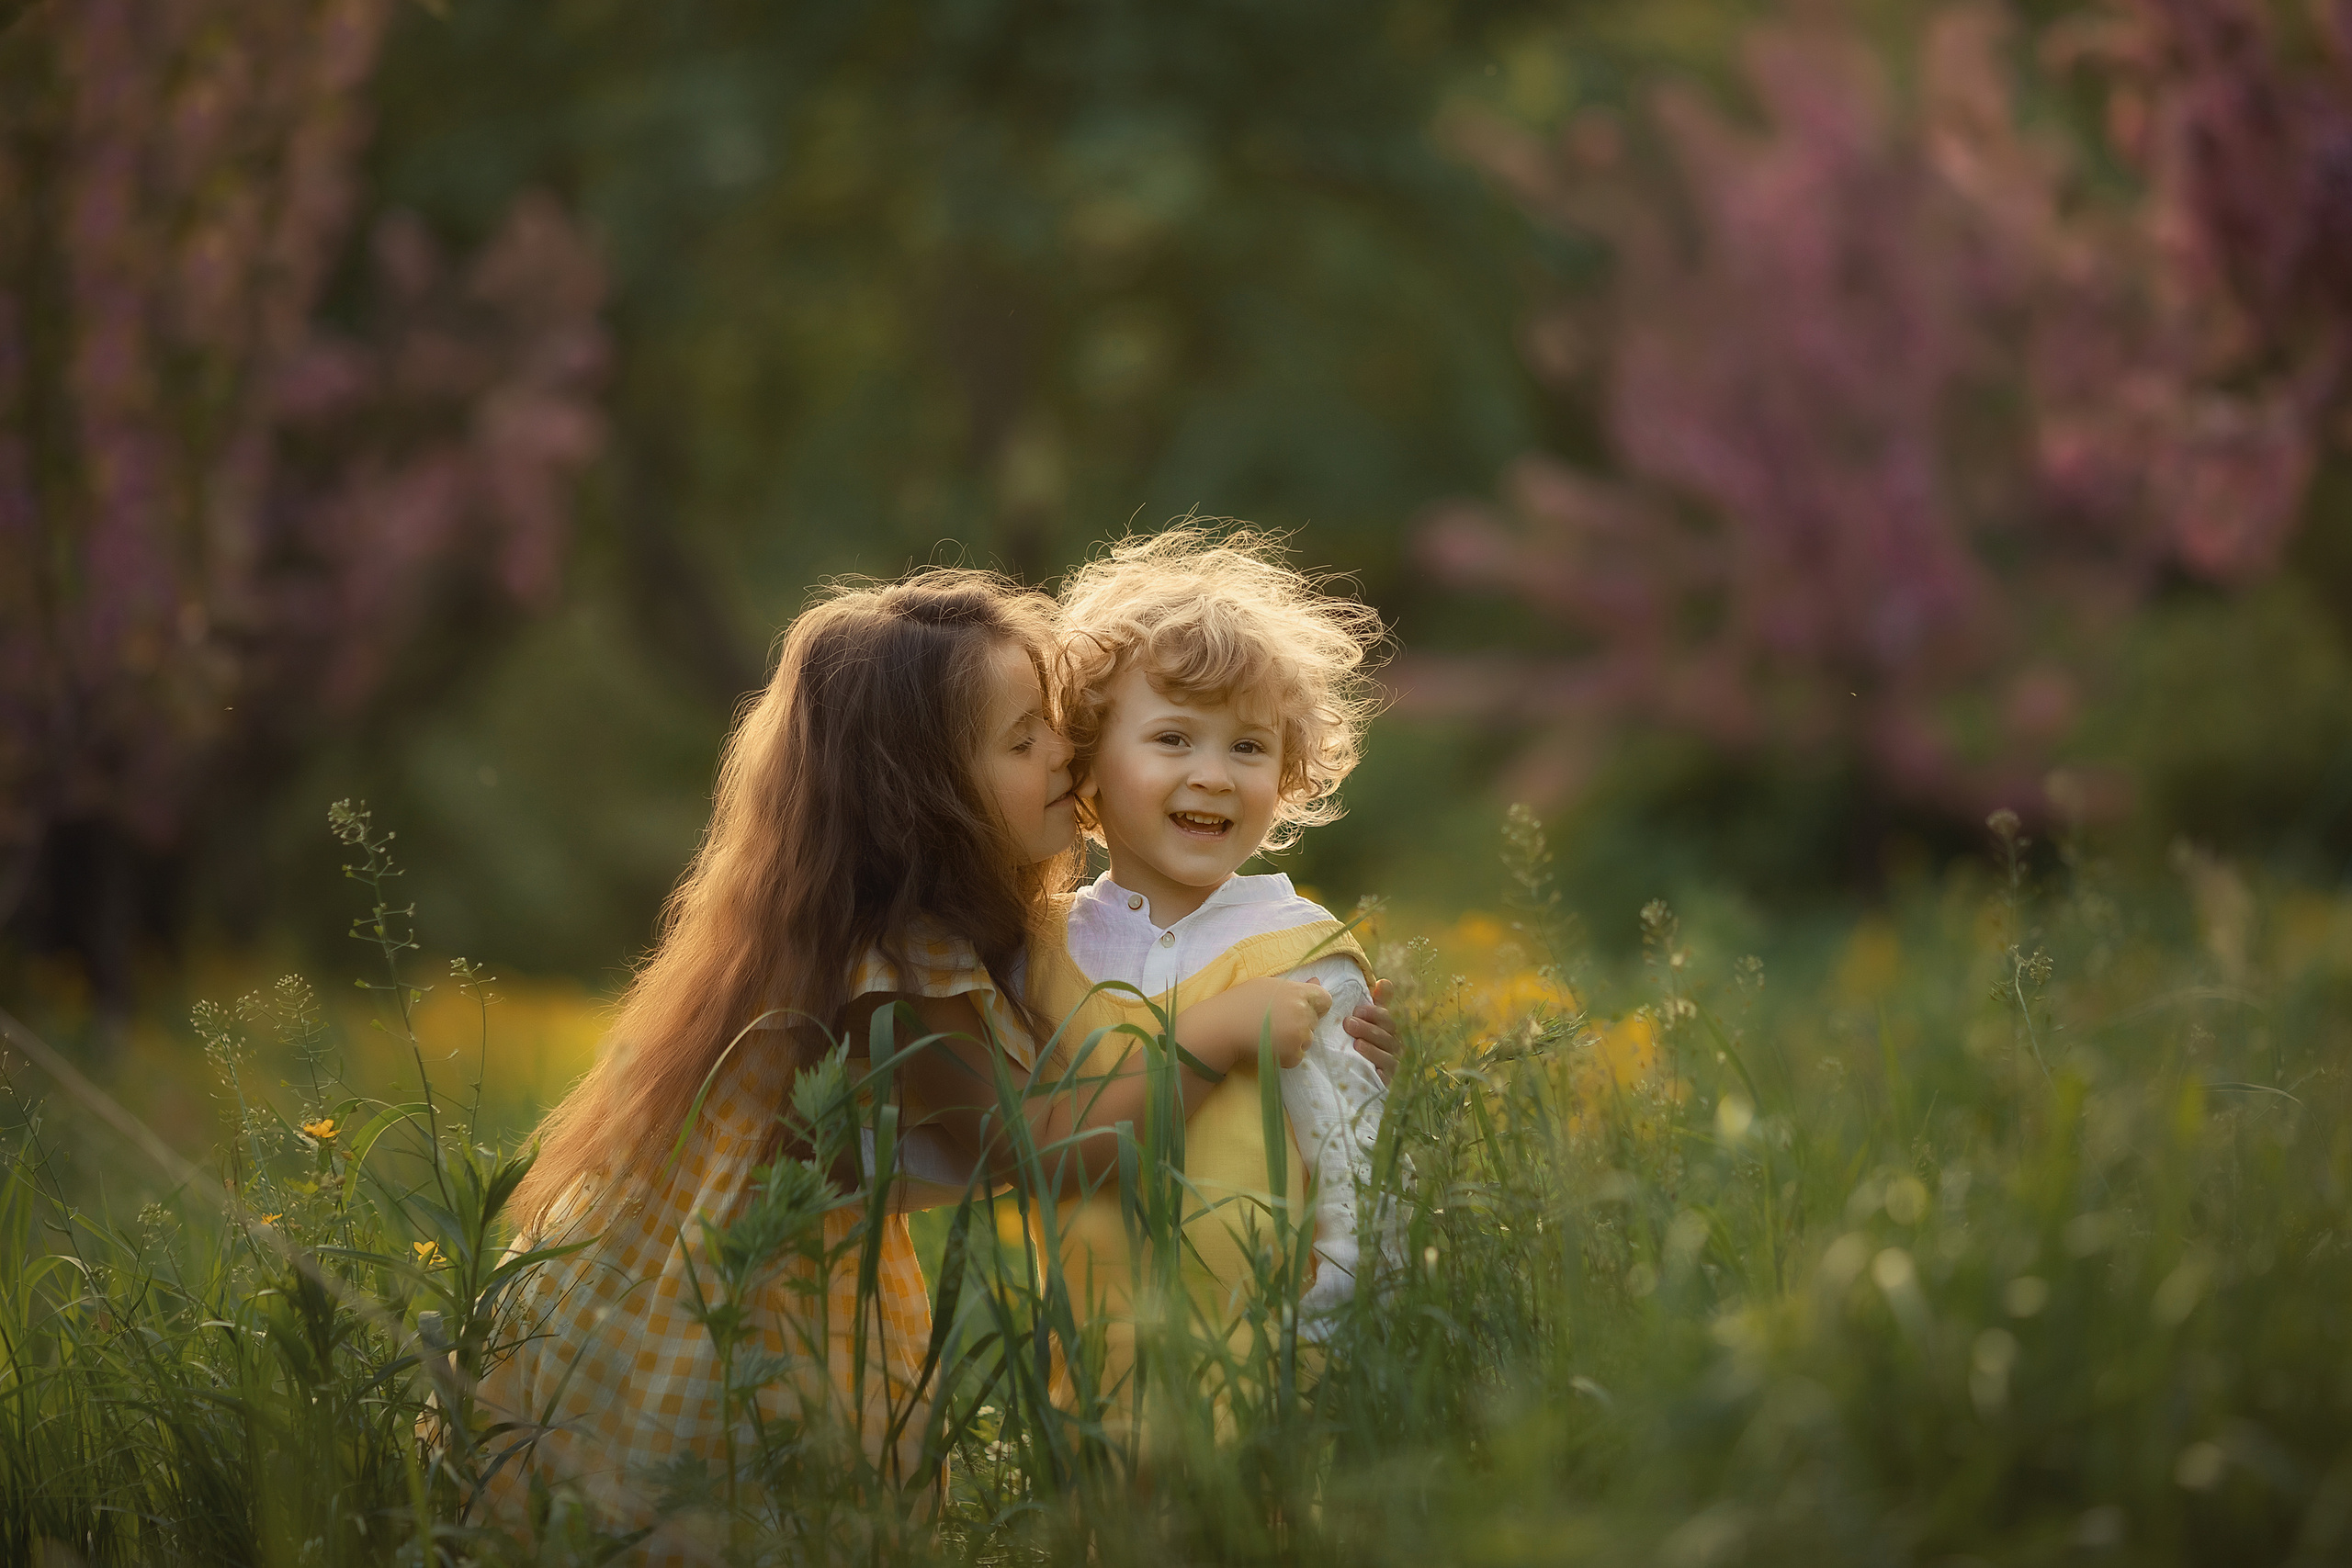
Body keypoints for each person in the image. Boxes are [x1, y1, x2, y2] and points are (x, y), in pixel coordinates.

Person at [475, 568, 1394, 1551]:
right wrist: (1215, 1034)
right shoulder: (903, 966)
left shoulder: (950, 938)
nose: (1067, 754)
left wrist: (1355, 1039)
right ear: (923, 788)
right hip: (713, 1288)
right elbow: (1032, 1147)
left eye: (1057, 728)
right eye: (1023, 740)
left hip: (767, 1269)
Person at [1025, 526, 1396, 1423]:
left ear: (1288, 771)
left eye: (1248, 747)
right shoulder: (1045, 951)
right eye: (1173, 737)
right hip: (1091, 1388)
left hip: (1272, 1384)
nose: (1213, 776)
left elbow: (1362, 1176)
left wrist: (1330, 1343)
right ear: (1086, 762)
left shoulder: (1300, 949)